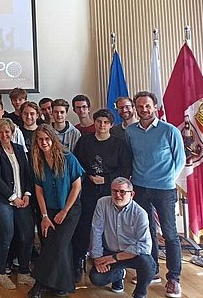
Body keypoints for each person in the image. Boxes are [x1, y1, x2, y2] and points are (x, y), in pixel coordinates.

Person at [126, 91, 185, 297]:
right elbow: (131, 158)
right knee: (147, 232)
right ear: (135, 108)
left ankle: (174, 278)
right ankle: (152, 272)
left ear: (155, 106)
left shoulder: (169, 131)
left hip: (164, 189)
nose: (144, 109)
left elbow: (180, 160)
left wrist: (168, 179)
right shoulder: (131, 131)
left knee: (169, 234)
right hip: (140, 188)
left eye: (147, 106)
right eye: (140, 106)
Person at [71, 109, 132, 282]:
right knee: (84, 226)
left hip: (111, 192)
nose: (102, 125)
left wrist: (105, 179)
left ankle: (114, 267)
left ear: (111, 125)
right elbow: (76, 163)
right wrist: (88, 176)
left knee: (110, 229)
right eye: (99, 121)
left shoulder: (119, 145)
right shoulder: (85, 141)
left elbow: (125, 170)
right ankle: (78, 262)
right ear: (94, 122)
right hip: (88, 191)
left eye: (106, 122)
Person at [28, 124, 83, 298]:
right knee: (55, 245)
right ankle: (63, 285)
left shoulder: (68, 158)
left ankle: (39, 283)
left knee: (58, 245)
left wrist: (65, 211)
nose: (44, 142)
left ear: (53, 139)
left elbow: (76, 187)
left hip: (70, 209)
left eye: (46, 139)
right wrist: (44, 216)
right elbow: (39, 190)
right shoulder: (38, 161)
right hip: (49, 210)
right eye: (40, 139)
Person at [0, 119, 35, 290]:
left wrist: (27, 194)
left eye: (7, 131)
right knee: (6, 235)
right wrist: (13, 197)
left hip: (24, 199)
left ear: (12, 132)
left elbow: (28, 174)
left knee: (27, 235)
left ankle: (23, 272)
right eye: (0, 132)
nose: (4, 135)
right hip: (3, 200)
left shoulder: (20, 150)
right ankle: (0, 273)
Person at [88, 177, 155, 298]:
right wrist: (97, 258)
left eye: (122, 191)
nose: (117, 195)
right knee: (96, 278)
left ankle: (140, 294)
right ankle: (119, 275)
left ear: (132, 194)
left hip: (131, 254)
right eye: (114, 191)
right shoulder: (102, 203)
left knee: (149, 265)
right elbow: (96, 230)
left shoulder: (140, 213)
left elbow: (145, 246)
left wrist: (115, 258)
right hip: (109, 251)